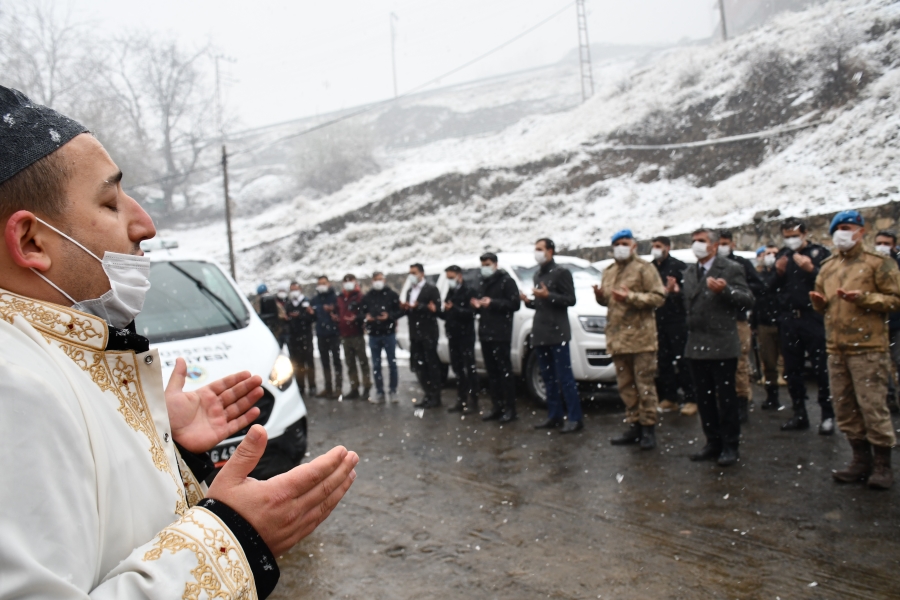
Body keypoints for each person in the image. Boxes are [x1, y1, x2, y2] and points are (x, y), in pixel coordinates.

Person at [0, 86, 357, 598]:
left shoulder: (47, 354)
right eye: (110, 201)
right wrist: (233, 538)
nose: (144, 224)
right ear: (32, 241)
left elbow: (101, 539)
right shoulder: (13, 388)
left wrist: (158, 443)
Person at [811, 211, 900, 490]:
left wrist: (865, 298)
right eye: (837, 229)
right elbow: (821, 300)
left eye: (847, 228)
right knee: (845, 407)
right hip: (836, 349)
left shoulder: (879, 263)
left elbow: (895, 299)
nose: (842, 234)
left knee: (873, 407)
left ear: (861, 231)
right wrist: (818, 302)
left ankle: (883, 465)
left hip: (868, 348)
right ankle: (860, 460)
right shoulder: (828, 267)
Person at [683, 229, 754, 466]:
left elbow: (747, 299)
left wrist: (725, 290)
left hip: (722, 343)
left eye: (701, 241)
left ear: (713, 246)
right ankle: (712, 441)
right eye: (694, 241)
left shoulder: (731, 269)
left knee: (726, 398)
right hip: (697, 344)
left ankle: (730, 445)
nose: (697, 245)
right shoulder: (690, 272)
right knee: (705, 399)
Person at [595, 230, 666, 449]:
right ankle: (634, 424)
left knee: (644, 385)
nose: (620, 247)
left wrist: (631, 297)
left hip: (641, 339)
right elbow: (609, 302)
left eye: (624, 243)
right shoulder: (609, 271)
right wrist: (600, 298)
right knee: (626, 386)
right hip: (618, 339)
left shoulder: (645, 269)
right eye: (616, 244)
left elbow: (658, 297)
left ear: (634, 246)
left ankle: (648, 428)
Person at [771, 217, 835, 434]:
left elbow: (830, 283)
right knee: (792, 368)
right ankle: (799, 412)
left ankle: (827, 414)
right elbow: (768, 288)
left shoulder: (820, 254)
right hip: (789, 319)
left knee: (821, 367)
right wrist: (777, 273)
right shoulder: (783, 255)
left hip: (812, 317)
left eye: (794, 236)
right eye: (787, 236)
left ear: (805, 234)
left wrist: (812, 270)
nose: (791, 241)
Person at [523, 239, 584, 433]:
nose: (537, 253)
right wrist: (529, 301)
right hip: (540, 332)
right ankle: (554, 415)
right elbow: (541, 303)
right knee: (548, 377)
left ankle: (575, 418)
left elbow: (570, 300)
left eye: (540, 249)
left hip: (557, 332)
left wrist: (549, 296)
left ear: (550, 251)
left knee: (565, 377)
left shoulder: (561, 273)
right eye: (535, 249)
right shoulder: (537, 274)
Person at [717, 231, 766, 423]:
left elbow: (757, 288)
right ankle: (725, 403)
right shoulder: (711, 265)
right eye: (719, 243)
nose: (721, 247)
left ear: (732, 244)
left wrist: (732, 290)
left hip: (736, 320)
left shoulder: (740, 264)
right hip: (716, 322)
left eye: (725, 243)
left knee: (739, 365)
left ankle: (742, 402)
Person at [649, 235, 697, 416]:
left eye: (658, 246)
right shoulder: (651, 268)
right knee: (663, 360)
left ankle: (691, 397)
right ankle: (669, 397)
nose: (655, 249)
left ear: (667, 248)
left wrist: (676, 292)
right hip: (657, 320)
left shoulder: (678, 267)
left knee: (683, 360)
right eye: (653, 246)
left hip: (676, 320)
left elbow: (689, 293)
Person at [472, 252, 521, 423]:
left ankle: (510, 408)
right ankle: (497, 407)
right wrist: (477, 305)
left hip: (501, 333)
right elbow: (481, 305)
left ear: (495, 264)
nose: (485, 268)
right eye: (483, 264)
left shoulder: (506, 281)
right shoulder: (483, 282)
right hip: (486, 333)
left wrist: (493, 303)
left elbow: (514, 304)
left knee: (504, 372)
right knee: (492, 373)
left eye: (487, 264)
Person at [401, 263, 443, 408]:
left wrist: (420, 307)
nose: (411, 276)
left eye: (414, 273)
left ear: (421, 274)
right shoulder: (409, 291)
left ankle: (436, 396)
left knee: (431, 365)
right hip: (415, 333)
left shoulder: (431, 289)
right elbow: (409, 311)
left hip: (428, 332)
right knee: (419, 366)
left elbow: (436, 309)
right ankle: (427, 394)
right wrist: (406, 308)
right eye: (410, 273)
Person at [439, 265, 479, 414]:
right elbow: (447, 313)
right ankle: (461, 399)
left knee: (470, 368)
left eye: (451, 277)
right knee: (457, 368)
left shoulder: (469, 291)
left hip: (466, 335)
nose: (449, 281)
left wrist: (454, 308)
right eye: (447, 278)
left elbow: (470, 314)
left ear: (459, 276)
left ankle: (473, 400)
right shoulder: (450, 292)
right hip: (453, 334)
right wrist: (439, 311)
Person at [361, 271, 402, 404]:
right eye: (375, 279)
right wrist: (366, 317)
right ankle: (379, 391)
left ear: (384, 280)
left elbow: (400, 310)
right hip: (374, 334)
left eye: (380, 279)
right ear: (372, 281)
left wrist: (389, 316)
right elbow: (361, 311)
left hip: (388, 333)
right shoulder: (368, 296)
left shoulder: (392, 295)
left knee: (392, 363)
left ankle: (393, 390)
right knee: (376, 365)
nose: (378, 282)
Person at [753, 245, 783, 410]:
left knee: (791, 363)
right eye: (768, 253)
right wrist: (754, 323)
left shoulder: (785, 275)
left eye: (774, 253)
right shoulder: (760, 276)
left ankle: (797, 399)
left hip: (784, 323)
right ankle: (772, 396)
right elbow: (758, 298)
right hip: (765, 323)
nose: (771, 256)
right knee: (769, 363)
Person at [874, 230, 900, 414]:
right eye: (879, 242)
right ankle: (889, 397)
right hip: (877, 322)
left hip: (897, 322)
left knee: (898, 360)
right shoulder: (870, 264)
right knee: (880, 363)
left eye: (886, 243)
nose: (882, 246)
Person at [337, 274, 371, 401]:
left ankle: (367, 387)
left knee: (363, 362)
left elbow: (365, 313)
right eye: (345, 281)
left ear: (355, 282)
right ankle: (354, 388)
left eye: (350, 281)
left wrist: (356, 318)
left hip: (357, 333)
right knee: (350, 363)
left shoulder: (360, 297)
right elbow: (338, 311)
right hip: (344, 335)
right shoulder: (340, 297)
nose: (347, 283)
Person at [311, 275, 343, 399]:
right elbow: (313, 318)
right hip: (321, 334)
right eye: (319, 283)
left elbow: (340, 313)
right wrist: (311, 313)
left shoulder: (335, 298)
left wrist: (334, 313)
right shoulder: (315, 299)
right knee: (325, 362)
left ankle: (338, 388)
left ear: (329, 284)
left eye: (324, 283)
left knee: (336, 361)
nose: (322, 285)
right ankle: (328, 387)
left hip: (334, 334)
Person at [284, 281, 317, 396]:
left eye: (295, 289)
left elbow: (312, 318)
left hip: (306, 337)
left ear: (300, 289)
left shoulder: (306, 302)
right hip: (293, 337)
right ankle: (300, 386)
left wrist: (301, 316)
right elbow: (286, 318)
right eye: (292, 289)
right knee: (297, 363)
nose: (294, 292)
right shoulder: (288, 304)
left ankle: (312, 386)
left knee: (309, 362)